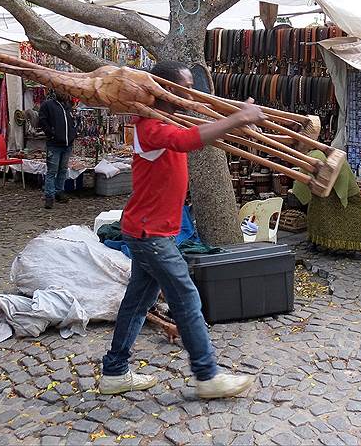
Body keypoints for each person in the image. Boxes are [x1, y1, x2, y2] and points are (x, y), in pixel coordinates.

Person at [100, 60, 266, 399]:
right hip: (150, 234)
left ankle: (115, 371)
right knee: (187, 297)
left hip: (150, 230)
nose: (189, 93)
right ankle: (207, 375)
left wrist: (235, 119)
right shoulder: (150, 127)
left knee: (137, 302)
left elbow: (192, 133)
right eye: (184, 88)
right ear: (165, 90)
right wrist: (238, 118)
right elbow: (189, 140)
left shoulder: (165, 119)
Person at [292, 127, 361, 260]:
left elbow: (303, 183)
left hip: (333, 188)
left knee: (321, 215)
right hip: (334, 189)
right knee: (351, 214)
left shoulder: (314, 155)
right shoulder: (316, 155)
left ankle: (319, 243)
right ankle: (353, 248)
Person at [38, 90, 76, 209]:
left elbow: (71, 122)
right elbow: (42, 121)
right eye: (61, 90)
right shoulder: (48, 105)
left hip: (67, 144)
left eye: (65, 90)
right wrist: (51, 133)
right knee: (52, 171)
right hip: (54, 144)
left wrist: (73, 134)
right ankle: (49, 196)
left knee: (63, 169)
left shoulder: (67, 106)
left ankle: (59, 192)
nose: (64, 93)